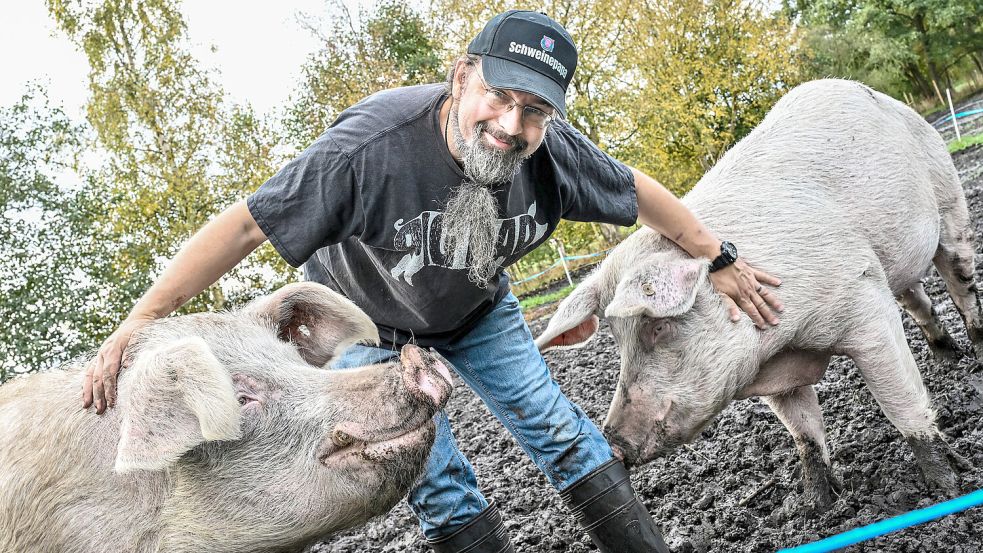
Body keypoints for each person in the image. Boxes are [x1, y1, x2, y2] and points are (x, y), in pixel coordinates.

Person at [83, 10, 783, 553]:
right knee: (436, 481)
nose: (510, 126)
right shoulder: (368, 149)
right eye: (498, 97)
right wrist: (139, 319)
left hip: (477, 312)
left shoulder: (554, 153)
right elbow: (244, 227)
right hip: (367, 326)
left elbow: (640, 194)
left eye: (534, 111)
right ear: (459, 78)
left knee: (562, 433)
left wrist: (716, 257)